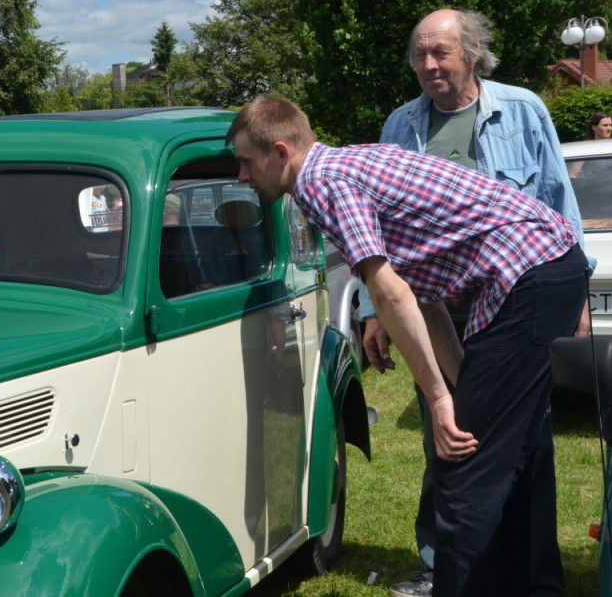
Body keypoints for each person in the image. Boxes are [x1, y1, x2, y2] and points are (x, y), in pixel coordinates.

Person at [227, 95, 588, 597]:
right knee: (512, 447)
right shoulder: (346, 164)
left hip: (530, 272)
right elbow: (422, 291)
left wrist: (441, 402)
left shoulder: (320, 183)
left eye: (246, 161)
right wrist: (459, 386)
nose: (242, 176)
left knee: (463, 458)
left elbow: (390, 292)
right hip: (545, 266)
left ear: (280, 151)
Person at [361, 8, 590, 597]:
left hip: (515, 303)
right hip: (436, 311)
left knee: (528, 439)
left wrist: (577, 301)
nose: (430, 66)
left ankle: (533, 574)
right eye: (420, 55)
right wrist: (373, 312)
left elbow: (560, 208)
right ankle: (446, 565)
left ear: (473, 55)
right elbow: (377, 233)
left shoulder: (521, 110)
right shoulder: (400, 127)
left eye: (441, 53)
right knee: (447, 431)